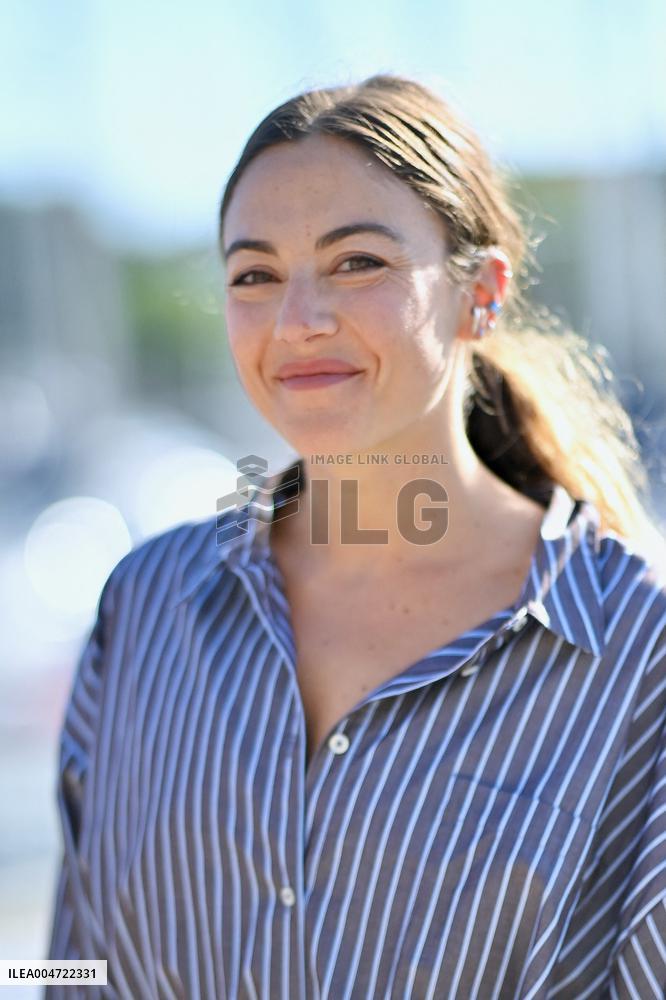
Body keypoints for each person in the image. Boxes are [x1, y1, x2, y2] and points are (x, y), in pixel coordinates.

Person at [46, 74, 666, 999]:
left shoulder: (635, 655)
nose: (299, 321)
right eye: (254, 275)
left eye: (358, 263)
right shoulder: (142, 609)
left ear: (481, 295)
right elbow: (71, 961)